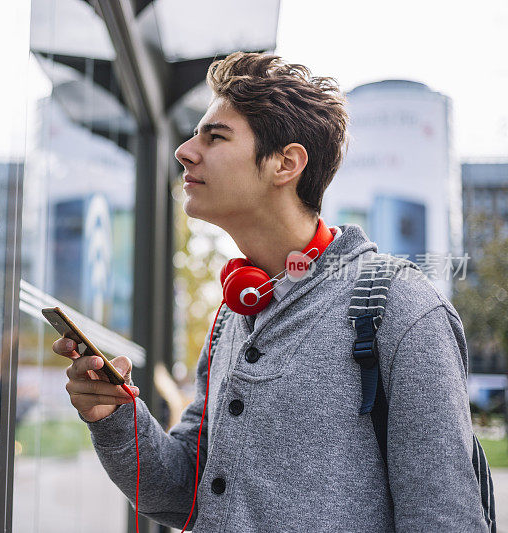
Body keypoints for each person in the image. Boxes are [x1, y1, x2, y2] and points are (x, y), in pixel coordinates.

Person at [52, 52, 488, 531]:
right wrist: (115, 416)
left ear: (286, 163)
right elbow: (187, 492)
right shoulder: (233, 316)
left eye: (214, 137)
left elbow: (445, 517)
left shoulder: (400, 305)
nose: (184, 150)